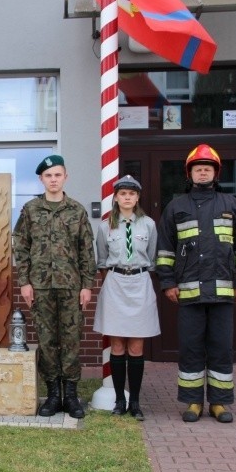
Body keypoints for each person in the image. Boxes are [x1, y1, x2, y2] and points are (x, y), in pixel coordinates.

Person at [156, 144, 236, 423]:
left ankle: (220, 403)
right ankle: (192, 402)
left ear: (215, 173)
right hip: (188, 294)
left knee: (222, 347)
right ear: (190, 174)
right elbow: (165, 249)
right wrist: (167, 283)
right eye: (198, 168)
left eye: (207, 168)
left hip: (223, 294)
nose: (202, 172)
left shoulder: (231, 205)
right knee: (190, 348)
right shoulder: (176, 207)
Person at [13, 154, 96, 419]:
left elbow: (86, 251)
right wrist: (24, 282)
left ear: (65, 177)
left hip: (71, 286)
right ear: (41, 179)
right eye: (48, 176)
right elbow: (21, 247)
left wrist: (87, 285)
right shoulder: (30, 209)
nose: (53, 179)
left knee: (71, 340)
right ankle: (52, 395)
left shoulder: (77, 210)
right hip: (40, 287)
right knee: (47, 340)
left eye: (57, 175)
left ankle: (70, 396)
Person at [93, 175, 160, 421]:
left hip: (140, 282)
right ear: (116, 197)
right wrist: (114, 277)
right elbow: (101, 259)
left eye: (132, 194)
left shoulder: (149, 225)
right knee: (118, 345)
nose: (127, 197)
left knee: (136, 346)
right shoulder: (105, 225)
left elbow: (152, 258)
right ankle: (120, 400)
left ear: (138, 197)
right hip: (115, 283)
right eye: (123, 194)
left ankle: (136, 401)